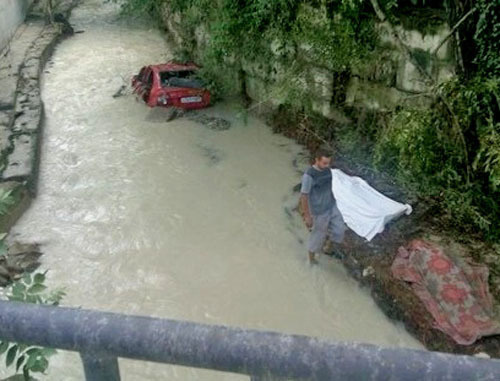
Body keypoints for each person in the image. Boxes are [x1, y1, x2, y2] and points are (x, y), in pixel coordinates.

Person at [300, 148, 346, 264]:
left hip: (332, 205)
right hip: (319, 211)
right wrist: (307, 216)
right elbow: (304, 196)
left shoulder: (328, 170)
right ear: (317, 160)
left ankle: (328, 248)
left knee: (340, 230)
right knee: (318, 237)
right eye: (324, 163)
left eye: (328, 163)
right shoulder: (309, 176)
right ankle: (311, 259)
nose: (327, 165)